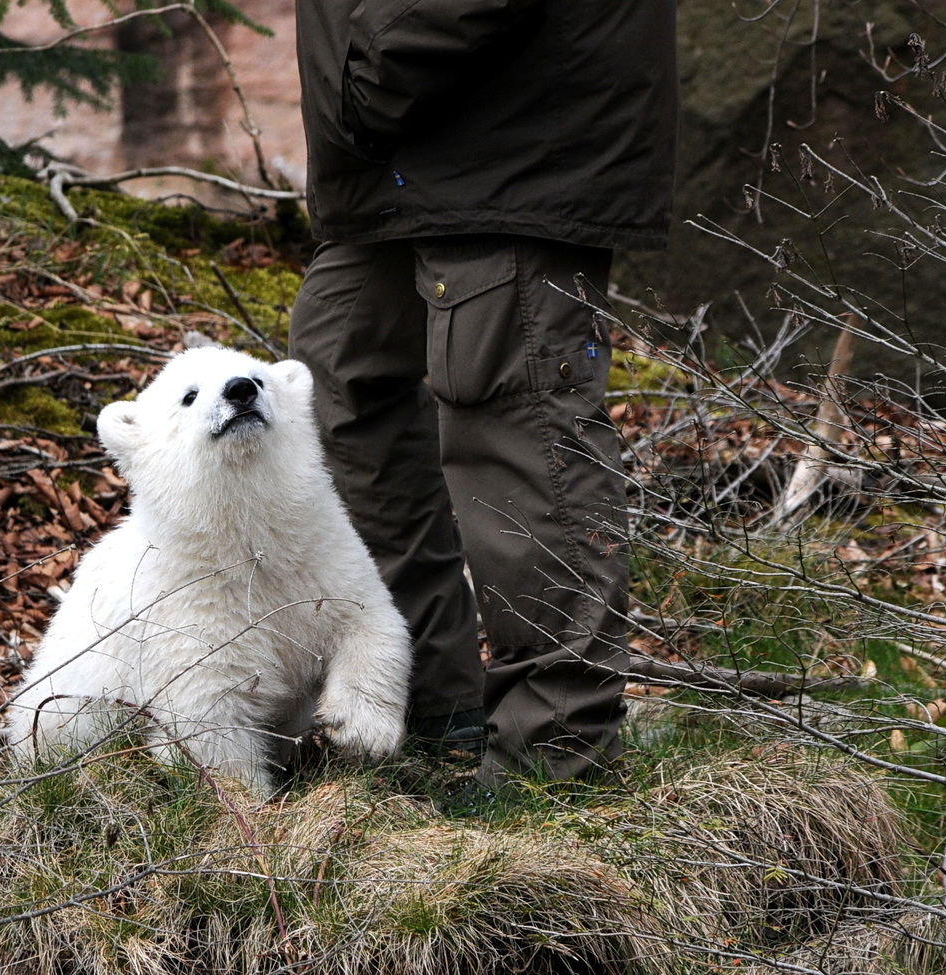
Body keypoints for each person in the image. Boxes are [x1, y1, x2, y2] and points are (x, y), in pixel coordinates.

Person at [287, 0, 679, 791]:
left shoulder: (399, 79)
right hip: (401, 154)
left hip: (502, 139)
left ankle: (555, 760)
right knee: (339, 375)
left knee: (516, 415)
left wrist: (375, 67)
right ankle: (430, 708)